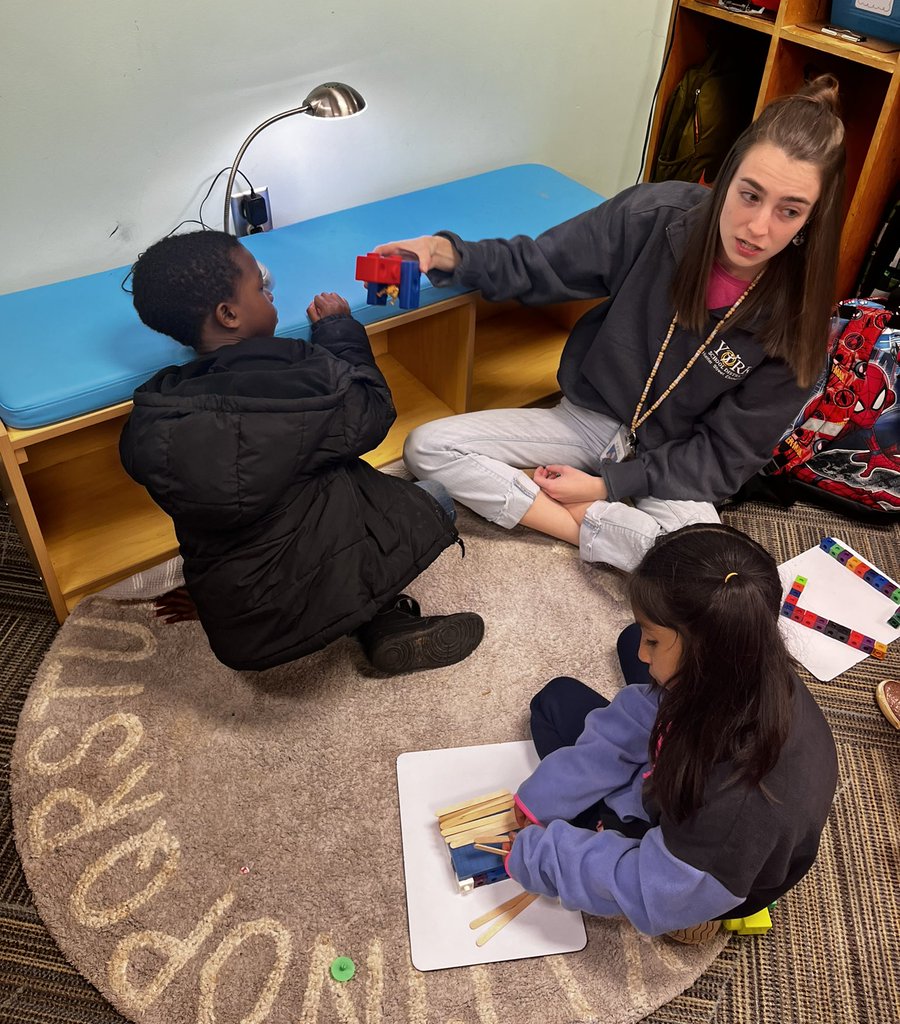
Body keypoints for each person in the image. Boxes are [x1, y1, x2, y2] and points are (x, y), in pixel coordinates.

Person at [374, 75, 846, 571]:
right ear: (727, 177)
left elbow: (723, 458)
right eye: (750, 195)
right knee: (428, 447)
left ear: (811, 220)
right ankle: (593, 530)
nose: (758, 227)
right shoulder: (655, 214)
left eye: (788, 211)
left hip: (674, 462)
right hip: (586, 419)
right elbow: (540, 263)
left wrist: (606, 488)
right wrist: (446, 252)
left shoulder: (803, 320)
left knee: (711, 568)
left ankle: (589, 522)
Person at [119, 229, 484, 676]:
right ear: (229, 314)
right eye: (260, 286)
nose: (271, 292)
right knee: (429, 494)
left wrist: (206, 591)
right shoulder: (303, 374)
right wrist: (338, 329)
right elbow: (373, 411)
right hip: (318, 586)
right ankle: (380, 616)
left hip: (243, 630)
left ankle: (367, 623)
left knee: (294, 477)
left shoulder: (154, 414)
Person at [501, 523, 838, 943]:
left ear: (707, 654)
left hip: (704, 875)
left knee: (553, 708)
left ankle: (697, 921)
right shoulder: (750, 660)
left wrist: (543, 857)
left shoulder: (735, 813)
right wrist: (545, 796)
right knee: (626, 650)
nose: (645, 653)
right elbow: (640, 710)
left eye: (654, 641)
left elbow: (645, 884)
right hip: (707, 781)